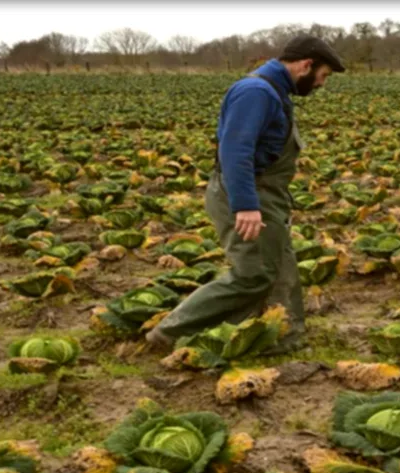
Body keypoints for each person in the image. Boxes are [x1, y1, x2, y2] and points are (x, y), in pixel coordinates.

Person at [146, 35, 345, 355]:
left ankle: (282, 333)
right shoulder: (256, 92)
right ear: (306, 65)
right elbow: (235, 150)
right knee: (252, 275)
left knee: (280, 264)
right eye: (323, 75)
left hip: (265, 195)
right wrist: (246, 206)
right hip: (246, 194)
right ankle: (171, 331)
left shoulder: (274, 91)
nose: (322, 83)